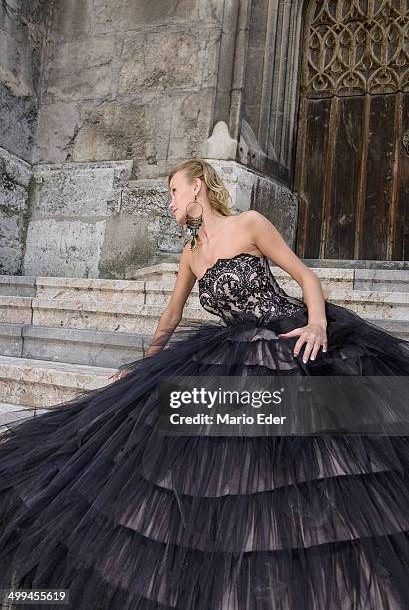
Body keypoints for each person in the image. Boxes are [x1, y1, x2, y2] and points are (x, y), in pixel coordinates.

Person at [0, 158, 409, 609]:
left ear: (197, 188)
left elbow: (306, 277)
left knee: (328, 447)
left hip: (288, 335)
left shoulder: (249, 223)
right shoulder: (191, 254)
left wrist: (316, 325)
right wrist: (146, 364)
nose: (170, 202)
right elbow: (172, 315)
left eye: (174, 191)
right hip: (235, 350)